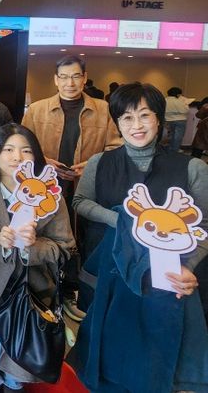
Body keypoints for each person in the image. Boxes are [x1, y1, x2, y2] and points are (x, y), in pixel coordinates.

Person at [72, 83, 208, 393]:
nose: (137, 125)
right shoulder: (100, 163)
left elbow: (205, 223)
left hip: (169, 276)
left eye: (145, 115)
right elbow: (80, 201)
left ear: (159, 119)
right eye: (127, 117)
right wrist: (124, 220)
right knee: (112, 350)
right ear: (117, 123)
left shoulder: (192, 167)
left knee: (157, 356)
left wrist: (189, 266)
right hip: (113, 271)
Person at [0, 124, 75, 393]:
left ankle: (14, 381)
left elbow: (65, 247)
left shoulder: (49, 193)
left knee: (22, 340)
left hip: (32, 284)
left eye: (26, 150)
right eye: (8, 149)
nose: (17, 157)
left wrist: (31, 246)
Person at [22, 55, 122, 321]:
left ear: (84, 78)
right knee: (48, 235)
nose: (70, 83)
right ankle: (46, 290)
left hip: (86, 187)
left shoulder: (103, 109)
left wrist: (91, 165)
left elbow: (115, 147)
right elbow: (21, 146)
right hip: (46, 186)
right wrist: (44, 161)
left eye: (76, 76)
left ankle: (73, 290)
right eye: (64, 77)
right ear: (56, 80)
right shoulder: (37, 110)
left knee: (82, 238)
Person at [165, 86, 192, 152]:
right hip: (180, 120)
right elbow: (185, 110)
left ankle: (169, 149)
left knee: (170, 135)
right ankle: (175, 150)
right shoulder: (178, 101)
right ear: (178, 94)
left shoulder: (164, 100)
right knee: (178, 137)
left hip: (167, 120)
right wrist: (185, 103)